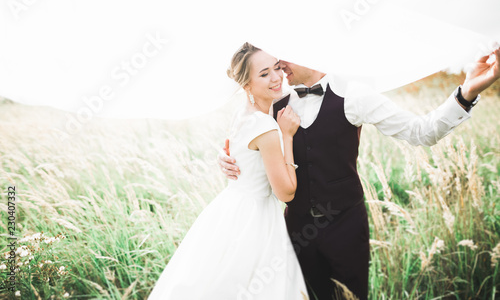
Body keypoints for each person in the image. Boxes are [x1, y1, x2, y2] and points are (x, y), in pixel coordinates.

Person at [218, 45, 500, 300]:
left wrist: (467, 92)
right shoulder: (276, 99)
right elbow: (248, 137)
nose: (280, 65)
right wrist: (225, 157)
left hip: (346, 229)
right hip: (294, 231)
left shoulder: (354, 96)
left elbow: (420, 132)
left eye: (284, 57)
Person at [148, 42, 309, 299]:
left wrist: (221, 155)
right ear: (246, 85)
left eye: (277, 68)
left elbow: (232, 150)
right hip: (256, 218)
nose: (277, 77)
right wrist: (287, 136)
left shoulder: (241, 114)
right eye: (264, 73)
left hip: (231, 208)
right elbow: (286, 193)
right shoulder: (266, 126)